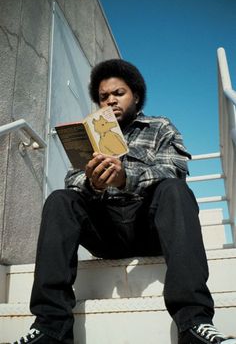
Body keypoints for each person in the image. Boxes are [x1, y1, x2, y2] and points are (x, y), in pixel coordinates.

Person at [13, 59, 236, 344]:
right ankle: (50, 327)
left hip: (148, 225)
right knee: (60, 200)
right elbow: (72, 179)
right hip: (106, 230)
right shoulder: (90, 135)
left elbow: (174, 170)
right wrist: (93, 182)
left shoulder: (159, 126)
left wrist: (124, 177)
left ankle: (194, 322)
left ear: (136, 96)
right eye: (104, 97)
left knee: (175, 191)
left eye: (118, 93)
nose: (110, 101)